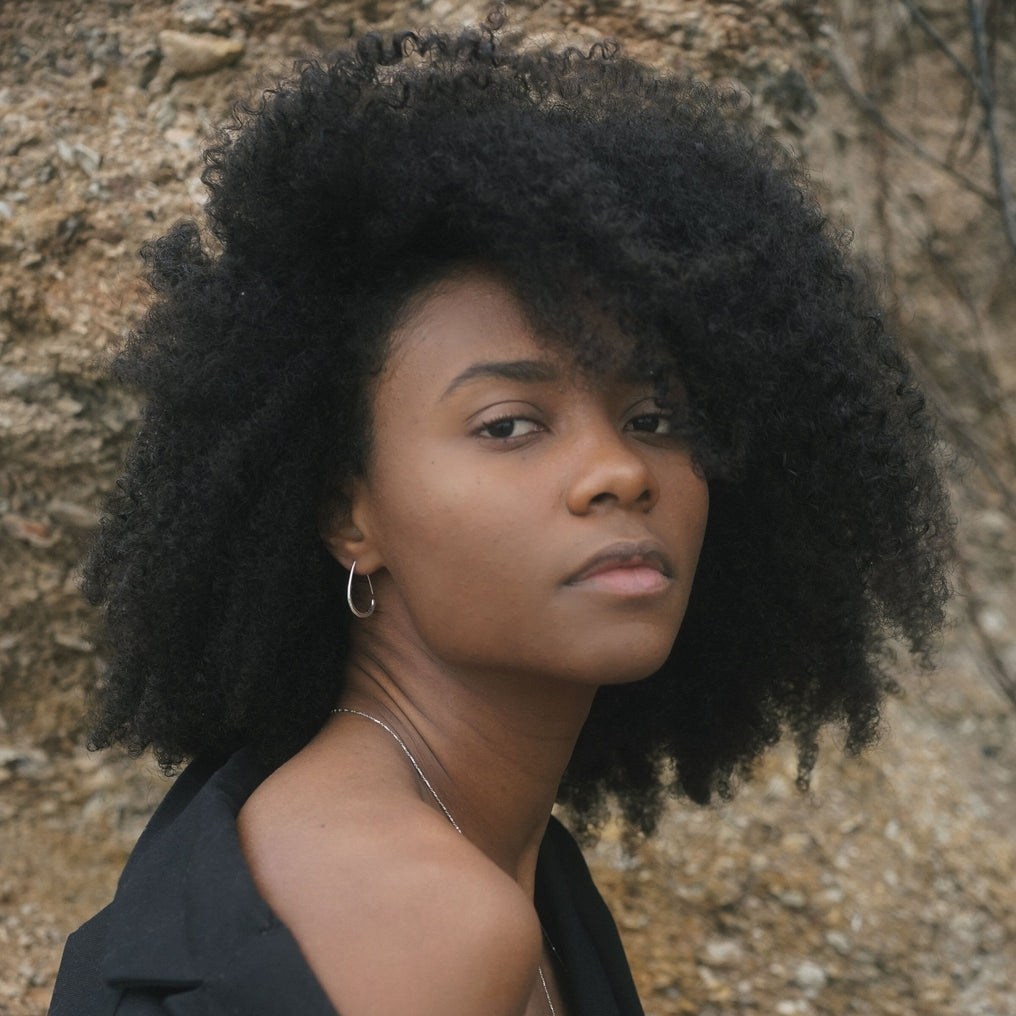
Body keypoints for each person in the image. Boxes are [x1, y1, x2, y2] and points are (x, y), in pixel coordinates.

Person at [50, 15, 953, 1016]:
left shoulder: (484, 851)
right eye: (509, 423)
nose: (616, 470)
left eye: (653, 415)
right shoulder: (424, 917)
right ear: (349, 515)